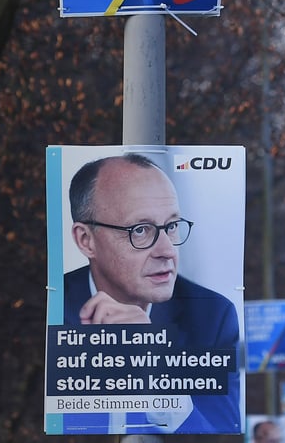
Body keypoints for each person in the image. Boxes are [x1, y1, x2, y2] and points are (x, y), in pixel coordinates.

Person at [62, 153, 240, 433]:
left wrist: (154, 366)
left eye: (171, 226)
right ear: (86, 240)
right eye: (140, 230)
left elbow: (219, 433)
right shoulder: (51, 310)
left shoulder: (211, 318)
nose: (167, 250)